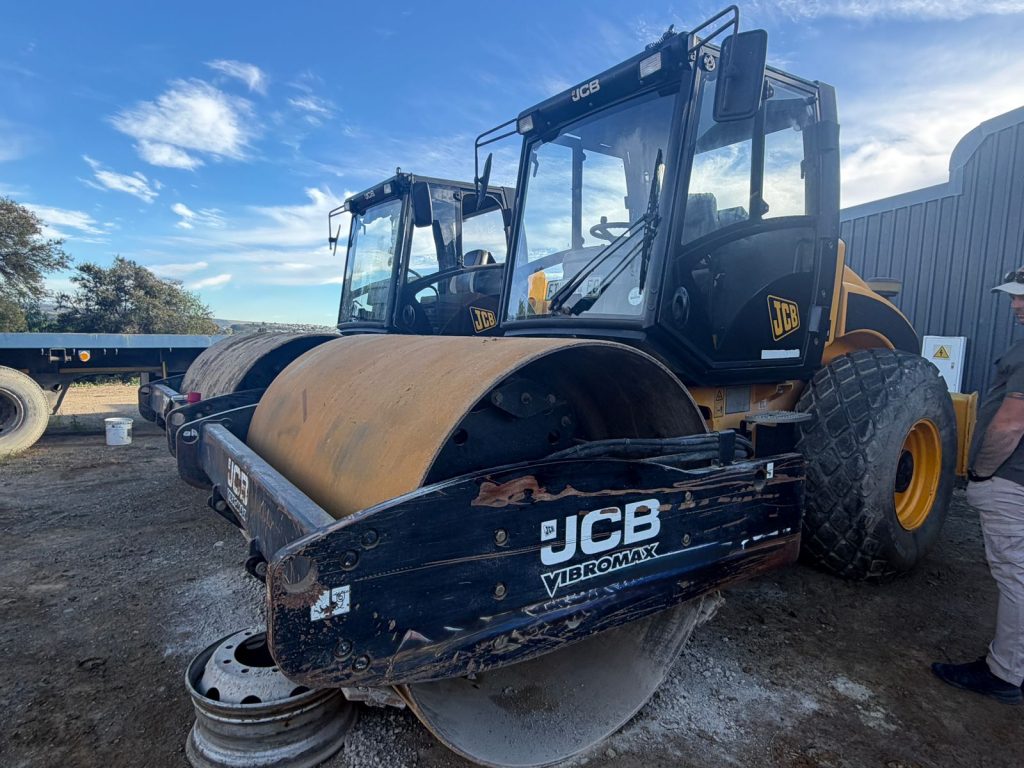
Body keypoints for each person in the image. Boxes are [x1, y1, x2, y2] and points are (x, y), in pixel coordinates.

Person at [932, 267, 1024, 705]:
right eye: (1014, 297)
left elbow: (1010, 425)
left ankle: (1006, 673)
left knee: (1014, 574)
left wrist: (982, 472)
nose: (1016, 305)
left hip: (1011, 479)